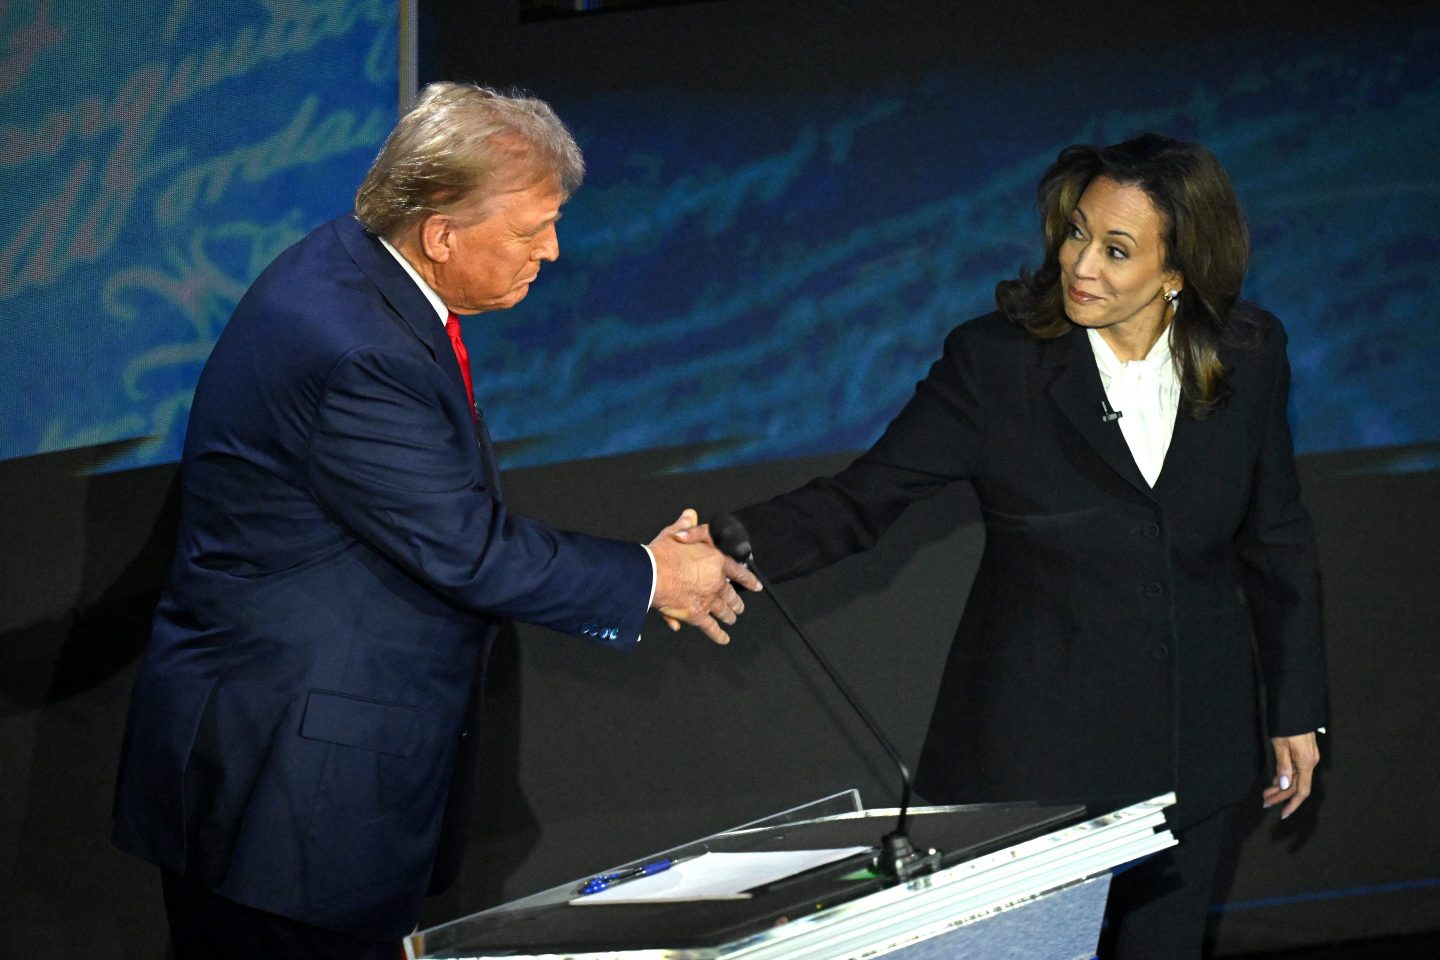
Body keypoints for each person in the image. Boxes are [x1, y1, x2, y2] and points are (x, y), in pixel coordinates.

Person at [111, 82, 760, 960]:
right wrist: (653, 575)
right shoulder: (355, 347)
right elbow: (467, 547)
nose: (553, 251)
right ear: (441, 232)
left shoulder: (352, 269)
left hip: (295, 778)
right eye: (531, 231)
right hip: (287, 799)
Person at [683, 134, 1325, 958]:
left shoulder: (1249, 353)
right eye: (1076, 232)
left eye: (1117, 249)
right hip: (1033, 766)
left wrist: (1297, 708)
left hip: (1193, 754)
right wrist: (720, 546)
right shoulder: (996, 364)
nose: (1081, 264)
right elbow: (863, 499)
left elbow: (1278, 538)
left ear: (1178, 270)